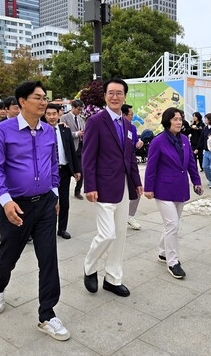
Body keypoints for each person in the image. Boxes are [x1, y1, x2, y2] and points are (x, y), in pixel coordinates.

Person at [0, 81, 69, 341]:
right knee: (8, 254)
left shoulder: (48, 131)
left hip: (45, 203)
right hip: (16, 205)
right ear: (22, 101)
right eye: (38, 97)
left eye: (45, 97)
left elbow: (54, 163)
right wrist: (5, 200)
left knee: (48, 258)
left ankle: (47, 314)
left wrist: (55, 193)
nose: (44, 102)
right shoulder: (2, 130)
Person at [82, 78, 143, 298]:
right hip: (103, 186)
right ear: (105, 96)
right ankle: (89, 267)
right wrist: (89, 185)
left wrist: (136, 182)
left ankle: (113, 278)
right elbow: (88, 156)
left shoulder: (128, 124)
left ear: (125, 96)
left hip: (124, 186)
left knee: (120, 234)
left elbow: (130, 157)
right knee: (107, 234)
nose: (115, 96)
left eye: (119, 93)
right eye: (111, 93)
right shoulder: (96, 121)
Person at [144, 107, 202, 279]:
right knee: (172, 225)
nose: (179, 122)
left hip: (181, 188)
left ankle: (163, 252)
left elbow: (191, 162)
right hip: (163, 189)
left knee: (172, 224)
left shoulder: (184, 139)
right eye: (175, 119)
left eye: (181, 119)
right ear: (167, 121)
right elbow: (151, 167)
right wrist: (148, 188)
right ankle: (173, 262)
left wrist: (197, 181)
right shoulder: (158, 141)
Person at [45, 103, 81, 239]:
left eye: (54, 114)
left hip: (64, 170)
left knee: (64, 202)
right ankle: (46, 229)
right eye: (48, 114)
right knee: (49, 202)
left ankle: (62, 229)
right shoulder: (40, 130)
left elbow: (72, 150)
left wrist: (77, 169)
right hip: (47, 172)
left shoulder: (65, 130)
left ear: (59, 114)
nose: (51, 117)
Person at [122, 104, 144, 230]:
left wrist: (138, 143)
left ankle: (130, 215)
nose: (132, 116)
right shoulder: (116, 127)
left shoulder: (132, 128)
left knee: (138, 190)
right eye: (131, 114)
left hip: (131, 163)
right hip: (118, 167)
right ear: (124, 115)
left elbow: (134, 143)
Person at [60, 99, 85, 200]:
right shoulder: (64, 118)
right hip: (70, 148)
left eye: (81, 110)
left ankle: (77, 191)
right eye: (78, 109)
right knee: (69, 171)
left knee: (81, 171)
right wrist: (76, 134)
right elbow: (62, 133)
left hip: (80, 147)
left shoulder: (81, 119)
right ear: (73, 108)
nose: (80, 112)